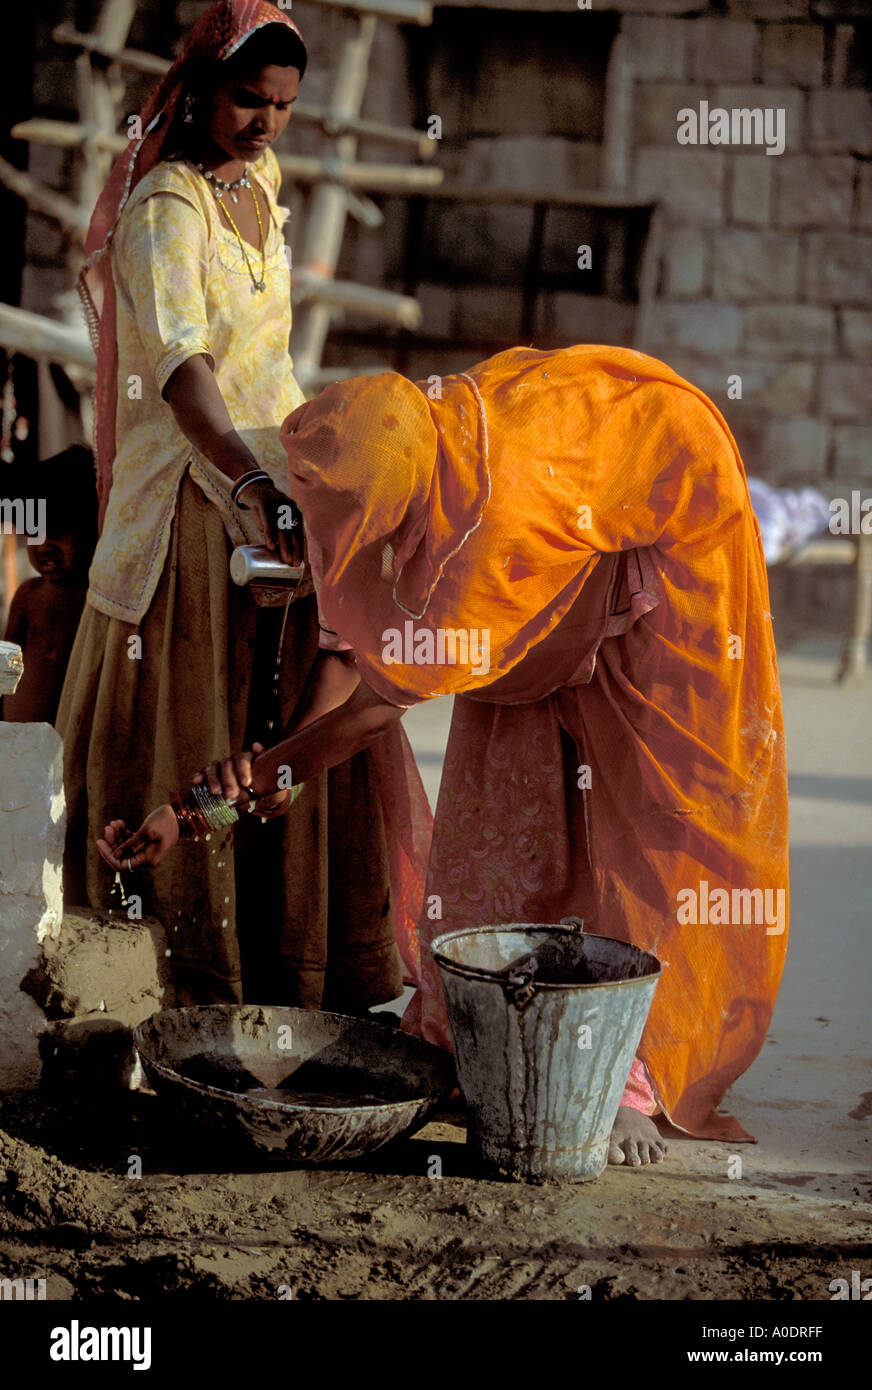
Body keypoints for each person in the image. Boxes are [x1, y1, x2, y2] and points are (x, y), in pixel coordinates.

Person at [98, 344, 790, 1166]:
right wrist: (241, 788)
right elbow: (355, 667)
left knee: (654, 820)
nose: (329, 545)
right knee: (509, 793)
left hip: (675, 533)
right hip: (573, 525)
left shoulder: (482, 550)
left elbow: (363, 710)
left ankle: (622, 1075)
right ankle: (482, 1020)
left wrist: (224, 796)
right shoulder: (413, 440)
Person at [59, 0, 430, 1012]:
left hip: (283, 490)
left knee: (297, 731)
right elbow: (185, 371)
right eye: (245, 100)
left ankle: (287, 980)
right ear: (200, 90)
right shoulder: (165, 210)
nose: (264, 124)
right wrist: (250, 479)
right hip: (192, 490)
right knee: (199, 722)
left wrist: (302, 479)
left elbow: (274, 358)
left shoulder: (264, 184)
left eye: (283, 106)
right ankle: (169, 992)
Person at [2, 445, 97, 723]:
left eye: (57, 532)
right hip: (17, 740)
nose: (42, 546)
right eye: (34, 532)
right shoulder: (28, 596)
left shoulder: (94, 599)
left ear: (93, 530)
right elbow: (7, 661)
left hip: (66, 739)